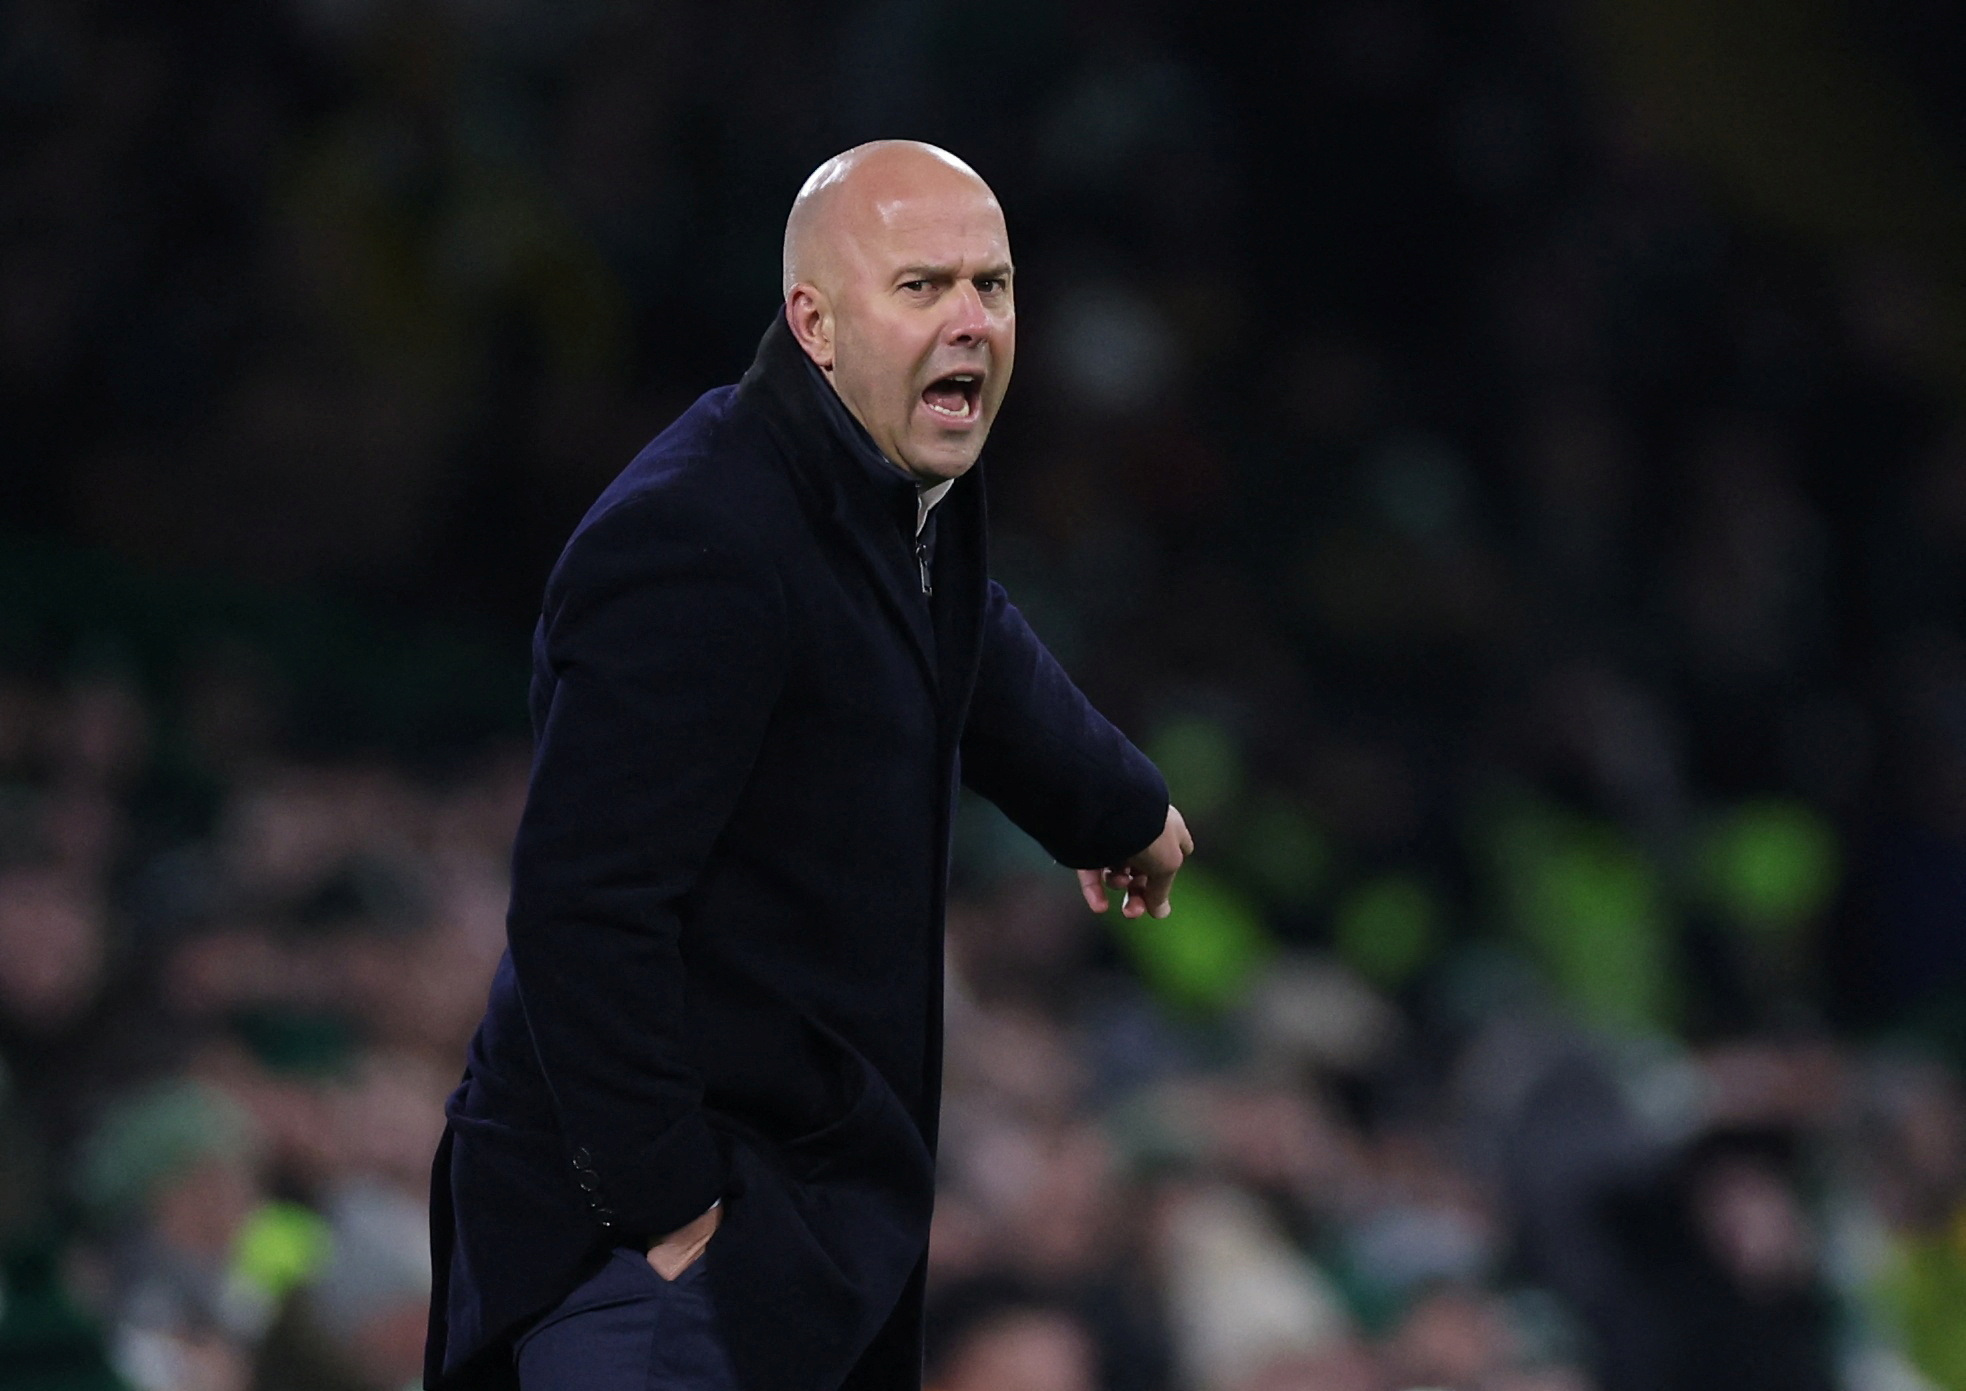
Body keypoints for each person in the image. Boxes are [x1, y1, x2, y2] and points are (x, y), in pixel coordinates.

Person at [423, 140, 1193, 1391]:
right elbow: (583, 907)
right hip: (648, 1249)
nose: (969, 322)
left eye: (990, 287)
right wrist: (669, 1208)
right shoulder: (696, 535)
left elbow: (960, 627)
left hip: (795, 1214)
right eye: (921, 285)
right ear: (813, 322)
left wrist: (1116, 803)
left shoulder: (881, 483)